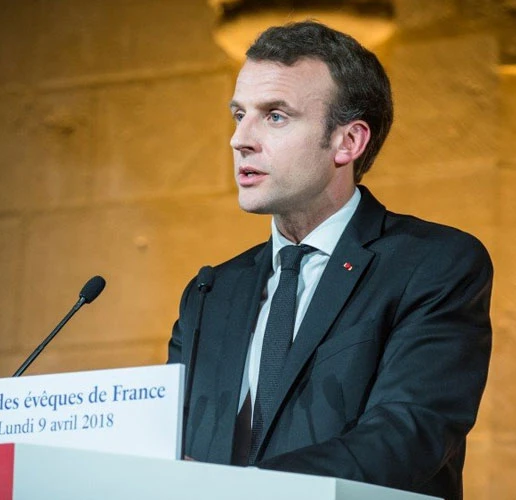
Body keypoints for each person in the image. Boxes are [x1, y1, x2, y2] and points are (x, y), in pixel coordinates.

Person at [168, 21, 492, 500]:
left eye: (274, 116)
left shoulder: (433, 264)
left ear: (349, 142)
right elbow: (171, 449)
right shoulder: (211, 292)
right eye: (239, 114)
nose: (240, 139)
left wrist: (245, 490)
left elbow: (407, 435)